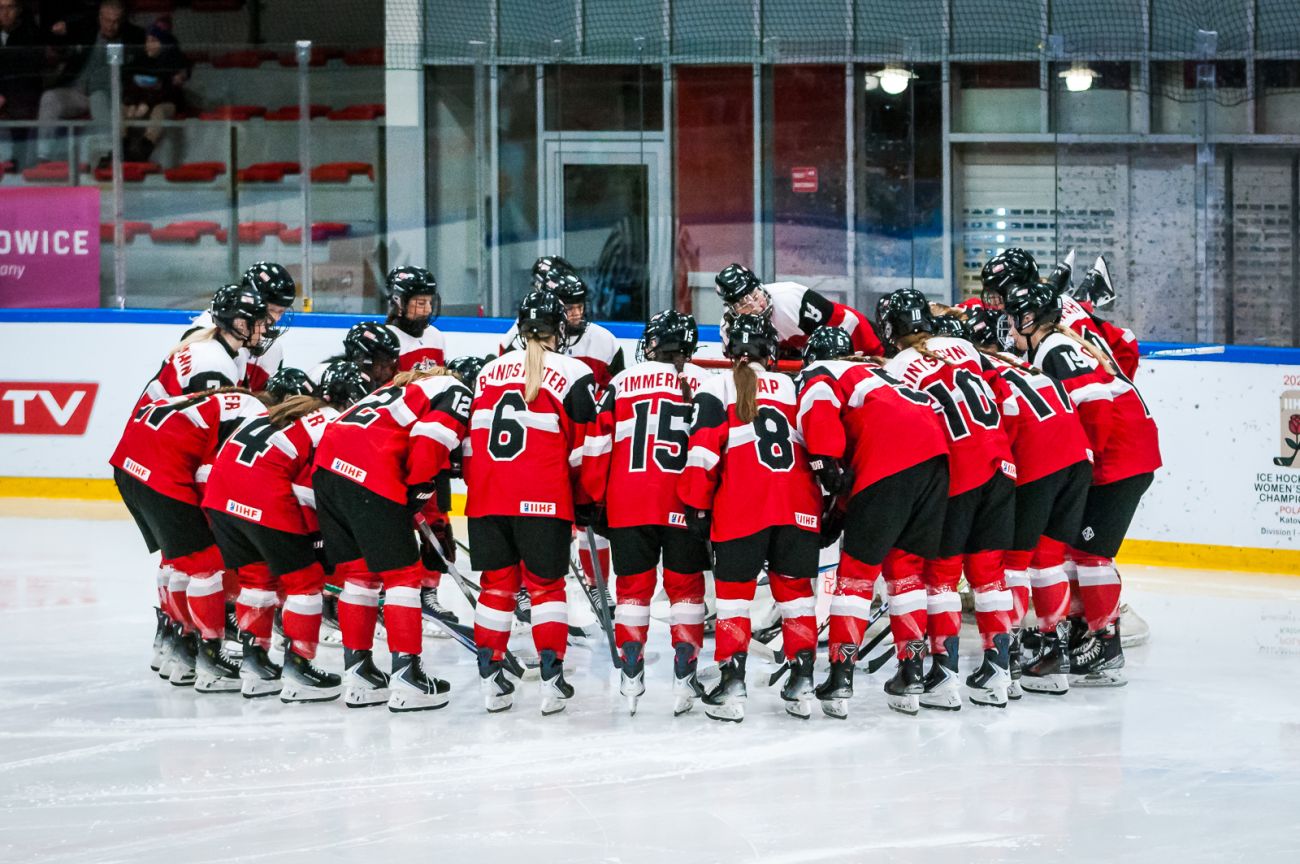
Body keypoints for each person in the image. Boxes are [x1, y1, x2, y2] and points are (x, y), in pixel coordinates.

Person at [1003, 281, 1161, 687]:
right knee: (1074, 551)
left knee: (1091, 555)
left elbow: (1096, 402)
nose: (1009, 327)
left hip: (1120, 457)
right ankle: (1082, 633)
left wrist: (1084, 460)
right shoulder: (1055, 343)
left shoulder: (1054, 348)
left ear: (1029, 319)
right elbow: (1125, 351)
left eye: (1013, 318)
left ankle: (1105, 646)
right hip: (1123, 452)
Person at [795, 325, 950, 717]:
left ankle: (840, 676)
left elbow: (828, 443)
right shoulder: (881, 372)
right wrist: (842, 508)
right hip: (936, 460)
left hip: (889, 461)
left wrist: (826, 471)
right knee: (906, 571)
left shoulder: (821, 371)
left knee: (856, 575)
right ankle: (912, 672)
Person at [678, 313, 823, 723]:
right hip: (797, 505)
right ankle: (803, 680)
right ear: (771, 351)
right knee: (797, 596)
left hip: (742, 506)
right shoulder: (794, 387)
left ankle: (732, 684)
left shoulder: (716, 386)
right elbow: (819, 446)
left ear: (729, 351)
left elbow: (703, 451)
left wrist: (696, 504)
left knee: (734, 599)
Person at [880, 289, 1017, 709]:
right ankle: (999, 672)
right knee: (989, 573)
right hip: (1001, 464)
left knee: (940, 577)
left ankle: (943, 674)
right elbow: (1005, 399)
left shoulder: (896, 367)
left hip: (959, 471)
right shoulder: (963, 347)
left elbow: (904, 428)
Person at [203, 361, 369, 703]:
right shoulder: (332, 423)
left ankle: (254, 666)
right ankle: (298, 668)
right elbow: (311, 490)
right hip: (261, 495)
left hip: (220, 496)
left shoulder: (290, 411)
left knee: (257, 580)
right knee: (306, 582)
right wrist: (320, 539)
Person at [312, 365, 472, 712]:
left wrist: (420, 504)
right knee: (403, 576)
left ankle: (359, 674)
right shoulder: (456, 389)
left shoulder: (398, 391)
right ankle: (407, 677)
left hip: (326, 469)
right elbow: (431, 442)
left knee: (360, 575)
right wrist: (418, 486)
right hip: (369, 470)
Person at [468, 291, 599, 716]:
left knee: (496, 587)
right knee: (546, 588)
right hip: (543, 500)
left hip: (487, 499)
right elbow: (585, 448)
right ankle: (551, 680)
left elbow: (472, 443)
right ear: (560, 330)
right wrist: (585, 499)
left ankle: (491, 681)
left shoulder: (487, 371)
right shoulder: (574, 371)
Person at [581, 309, 710, 716]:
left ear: (653, 344)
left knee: (632, 590)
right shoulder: (705, 382)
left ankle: (631, 669)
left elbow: (597, 444)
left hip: (628, 502)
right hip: (684, 502)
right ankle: (685, 673)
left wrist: (592, 496)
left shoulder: (620, 382)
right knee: (686, 589)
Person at [961, 311, 1094, 695]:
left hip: (1038, 463)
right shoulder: (1021, 363)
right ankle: (1054, 657)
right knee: (1049, 560)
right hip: (1077, 460)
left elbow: (1008, 420)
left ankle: (1011, 658)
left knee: (1013, 563)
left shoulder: (978, 373)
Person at [109, 385, 268, 691]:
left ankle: (175, 646)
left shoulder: (210, 402)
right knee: (205, 565)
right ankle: (208, 659)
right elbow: (217, 473)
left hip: (128, 467)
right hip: (161, 473)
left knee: (176, 560)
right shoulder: (255, 413)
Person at [978, 248, 1138, 380]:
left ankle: (1082, 289)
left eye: (997, 296)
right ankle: (1083, 290)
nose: (994, 304)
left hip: (1098, 399)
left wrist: (1113, 387)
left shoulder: (1037, 326)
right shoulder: (1057, 308)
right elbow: (1126, 342)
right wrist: (1121, 384)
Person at [36, 0, 143, 165]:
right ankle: (43, 156)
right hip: (77, 91)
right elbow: (63, 39)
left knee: (98, 100)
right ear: (99, 17)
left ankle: (110, 157)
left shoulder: (133, 37)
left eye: (115, 21)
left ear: (122, 21)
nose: (111, 26)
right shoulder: (86, 30)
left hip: (105, 93)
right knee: (49, 98)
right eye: (107, 20)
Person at [139, 283, 269, 411]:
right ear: (241, 324)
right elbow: (212, 420)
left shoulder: (208, 344)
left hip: (146, 420)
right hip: (155, 423)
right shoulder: (214, 364)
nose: (263, 330)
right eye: (260, 323)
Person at [714, 262, 883, 358]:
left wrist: (872, 354)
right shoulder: (730, 329)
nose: (756, 305)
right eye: (744, 303)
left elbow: (846, 322)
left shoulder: (791, 297)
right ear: (732, 308)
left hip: (863, 338)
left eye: (755, 294)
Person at [183, 262, 296, 392]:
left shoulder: (272, 349)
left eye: (281, 312)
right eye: (271, 310)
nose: (275, 319)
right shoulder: (207, 330)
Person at [121, 17, 189, 162]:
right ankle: (122, 148)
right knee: (121, 109)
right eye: (147, 40)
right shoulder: (140, 59)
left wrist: (147, 103)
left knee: (159, 110)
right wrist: (133, 102)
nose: (148, 45)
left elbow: (169, 90)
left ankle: (144, 150)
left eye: (153, 41)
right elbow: (129, 81)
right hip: (140, 103)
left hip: (165, 103)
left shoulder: (175, 60)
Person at [0, 0, 43, 167]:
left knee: (20, 104)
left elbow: (26, 74)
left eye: (9, 7)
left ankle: (17, 163)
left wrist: (3, 95)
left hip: (22, 91)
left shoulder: (31, 34)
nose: (5, 13)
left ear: (18, 9)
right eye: (1, 8)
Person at [307, 321, 400, 391]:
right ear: (361, 357)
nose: (388, 372)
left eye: (391, 364)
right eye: (383, 364)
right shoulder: (322, 375)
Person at [385, 266, 446, 371]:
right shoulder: (386, 341)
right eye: (421, 303)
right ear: (399, 303)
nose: (428, 310)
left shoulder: (435, 336)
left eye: (430, 302)